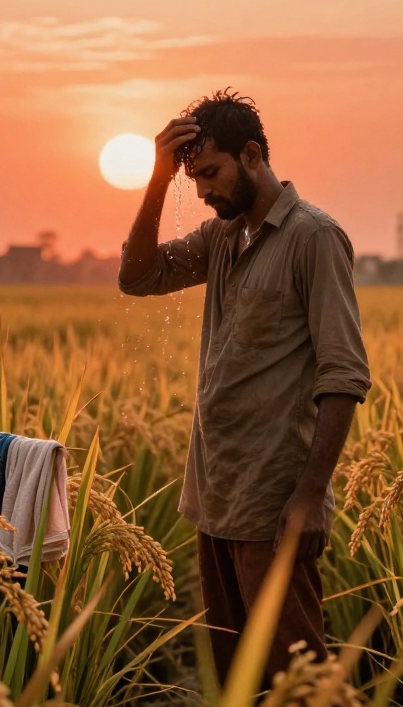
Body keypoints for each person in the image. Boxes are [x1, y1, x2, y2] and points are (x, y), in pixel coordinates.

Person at [117, 89, 371, 685]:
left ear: (252, 155)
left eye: (210, 173)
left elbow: (344, 374)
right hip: (216, 495)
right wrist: (157, 180)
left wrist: (308, 499)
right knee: (237, 680)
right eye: (192, 178)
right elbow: (137, 276)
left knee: (296, 678)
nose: (202, 191)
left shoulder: (313, 237)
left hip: (274, 504)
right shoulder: (224, 238)